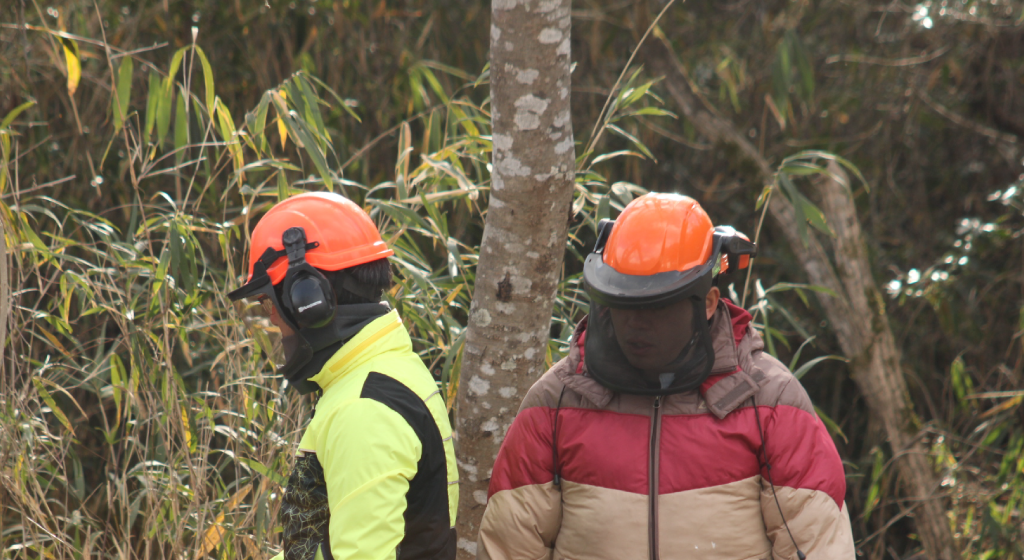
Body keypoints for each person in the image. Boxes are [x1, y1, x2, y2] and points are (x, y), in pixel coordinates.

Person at [477, 193, 854, 560]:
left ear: (707, 303)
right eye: (625, 306)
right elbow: (510, 548)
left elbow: (819, 546)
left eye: (655, 308)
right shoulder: (556, 402)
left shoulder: (771, 402)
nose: (636, 325)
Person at [229, 192, 459, 560]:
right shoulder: (383, 372)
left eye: (268, 302)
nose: (271, 318)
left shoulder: (364, 408)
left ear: (308, 298)